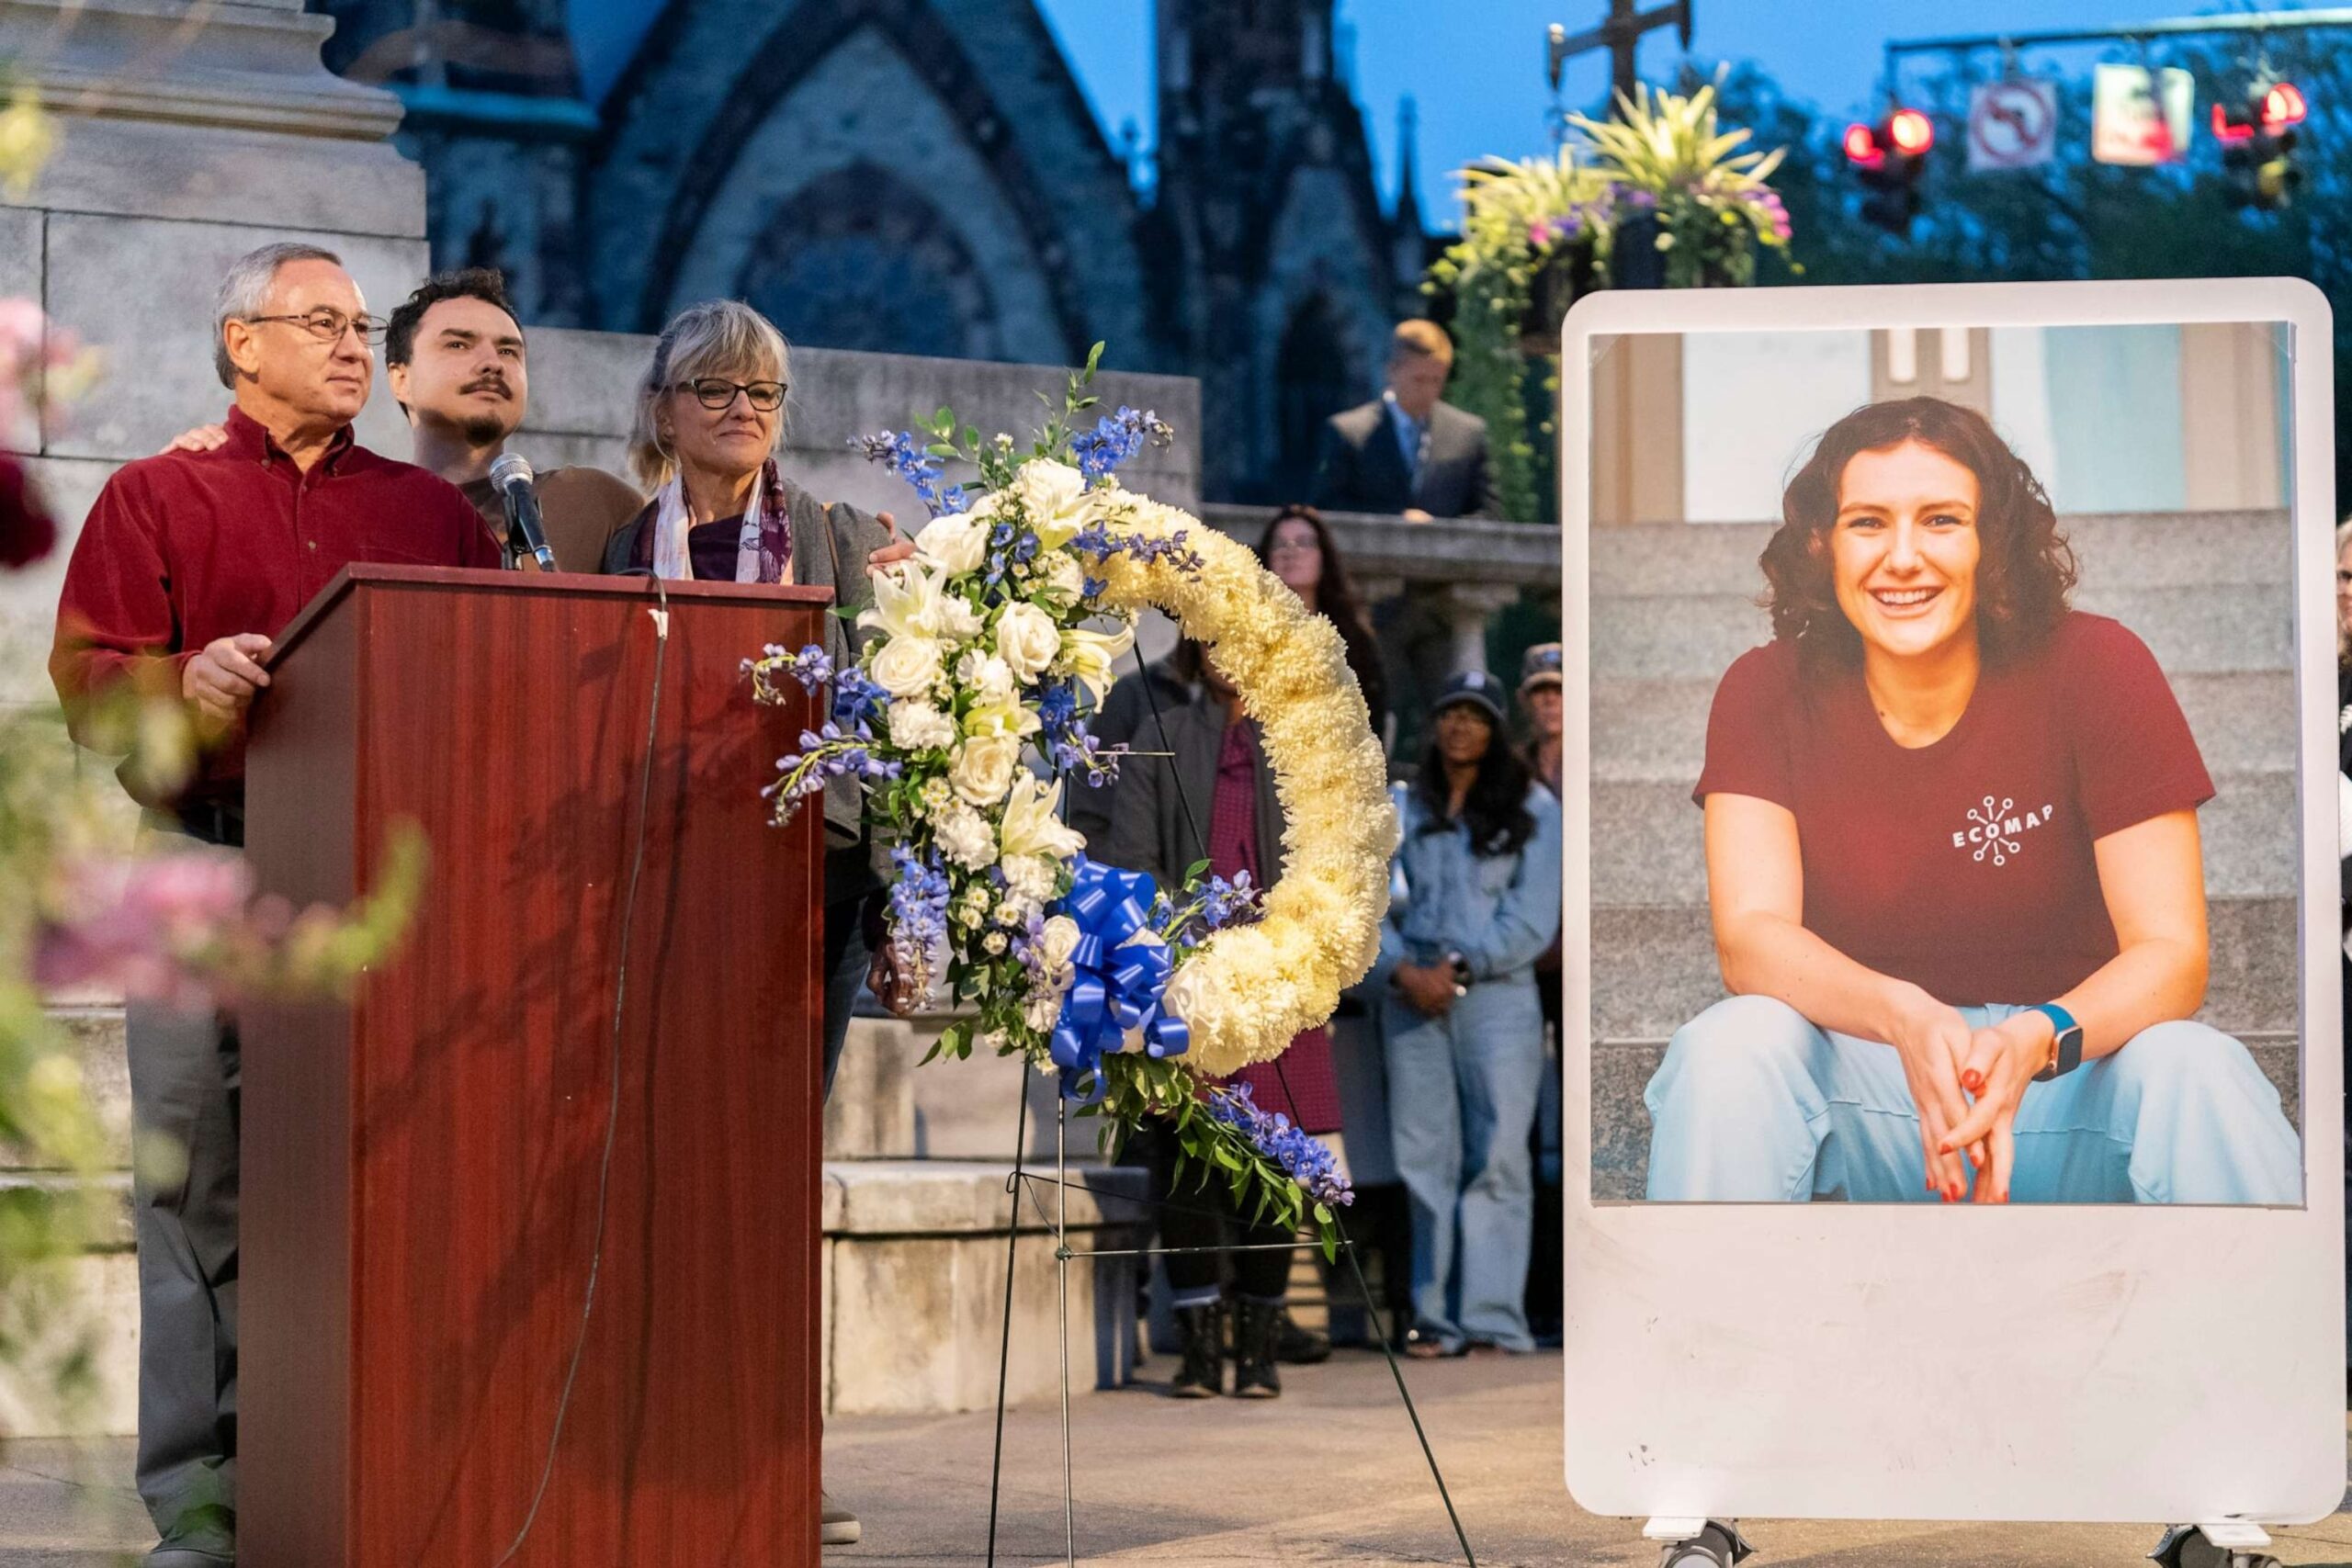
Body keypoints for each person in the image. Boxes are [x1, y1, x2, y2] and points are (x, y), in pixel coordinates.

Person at [49, 242, 500, 1568]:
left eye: (365, 326)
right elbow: (85, 677)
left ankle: (377, 1476)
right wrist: (180, 681)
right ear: (241, 342)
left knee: (381, 1179)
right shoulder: (156, 492)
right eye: (323, 323)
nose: (358, 346)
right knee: (195, 1189)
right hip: (200, 859)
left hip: (379, 884)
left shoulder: (431, 519)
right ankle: (203, 1503)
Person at [1647, 396, 2300, 1206]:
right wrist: (1905, 1016)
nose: (1904, 557)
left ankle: (2262, 1334)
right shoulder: (1764, 687)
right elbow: (1751, 941)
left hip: (2066, 1080)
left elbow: (2172, 954)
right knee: (1727, 1049)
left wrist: (2035, 1036)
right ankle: (1710, 1334)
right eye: (1868, 523)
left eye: (1943, 520)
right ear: (1824, 543)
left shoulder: (2101, 666)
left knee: (2200, 1069)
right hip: (1873, 1082)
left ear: (1993, 541)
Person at [600, 299, 910, 1544]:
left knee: (778, 1177)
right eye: (716, 387)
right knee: (670, 1169)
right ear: (663, 408)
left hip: (809, 891)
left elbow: (898, 741)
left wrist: (895, 898)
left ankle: (781, 1448)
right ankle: (668, 1436)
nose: (741, 410)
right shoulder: (623, 550)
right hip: (666, 890)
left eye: (763, 393)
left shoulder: (840, 537)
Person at [1107, 644, 1343, 1398]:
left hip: (1282, 979)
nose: (1226, 655)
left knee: (1276, 1160)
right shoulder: (1161, 729)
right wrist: (1182, 949)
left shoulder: (1299, 742)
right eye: (1210, 638)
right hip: (1191, 979)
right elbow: (1134, 861)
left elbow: (1333, 858)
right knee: (1190, 1160)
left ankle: (1263, 1345)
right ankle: (1203, 1350)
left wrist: (1294, 947)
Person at [160, 268, 642, 572]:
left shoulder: (593, 503)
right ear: (399, 377)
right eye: (458, 344)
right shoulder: (355, 509)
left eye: (509, 350)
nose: (492, 362)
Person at [1366, 670, 1560, 1358]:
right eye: (1450, 712)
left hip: (1497, 1001)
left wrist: (1463, 968)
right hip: (1411, 997)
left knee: (1499, 1157)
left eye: (1476, 715)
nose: (1460, 726)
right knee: (1424, 1159)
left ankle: (1491, 1317)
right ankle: (1432, 1316)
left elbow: (1532, 916)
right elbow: (1366, 901)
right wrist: (1399, 970)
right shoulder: (1400, 806)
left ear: (1496, 726)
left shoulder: (1533, 807)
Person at [1310, 321, 1498, 522]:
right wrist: (1397, 518)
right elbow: (1327, 508)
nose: (1428, 390)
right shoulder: (1348, 432)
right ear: (1392, 371)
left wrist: (1440, 530)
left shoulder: (1468, 434)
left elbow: (1490, 515)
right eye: (1419, 379)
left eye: (1437, 380)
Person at [1516, 642, 1565, 1343]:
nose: (1550, 701)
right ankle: (1536, 1293)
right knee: (1522, 1134)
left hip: (1578, 962)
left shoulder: (1592, 765)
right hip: (1528, 961)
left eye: (1558, 690)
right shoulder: (1515, 771)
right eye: (1539, 692)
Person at [1255, 502, 1389, 752]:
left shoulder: (1354, 640)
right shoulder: (1246, 631)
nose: (1290, 552)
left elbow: (1372, 722)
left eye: (1304, 542)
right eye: (1279, 544)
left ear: (1323, 557)